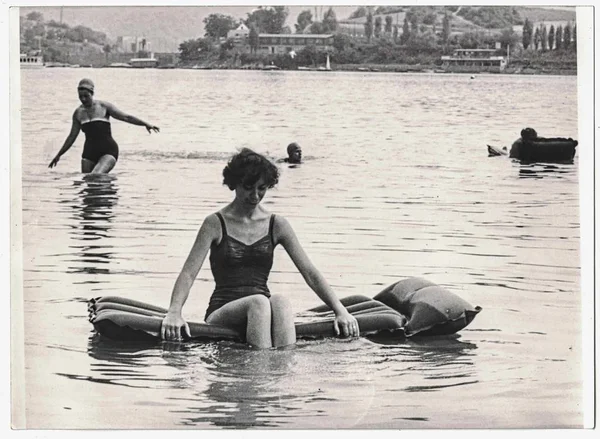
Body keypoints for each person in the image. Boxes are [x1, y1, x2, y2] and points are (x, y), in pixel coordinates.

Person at [160, 148, 359, 348]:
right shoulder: (214, 223)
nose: (255, 195)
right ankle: (259, 373)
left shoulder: (277, 224)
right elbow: (188, 273)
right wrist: (174, 312)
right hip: (222, 312)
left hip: (262, 314)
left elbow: (309, 272)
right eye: (248, 187)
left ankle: (281, 373)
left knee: (280, 301)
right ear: (234, 184)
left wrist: (340, 311)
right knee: (259, 302)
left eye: (261, 188)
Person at [48, 78, 160, 174]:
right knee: (88, 187)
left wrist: (145, 124)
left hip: (108, 150)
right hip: (89, 153)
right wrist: (59, 155)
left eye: (86, 96)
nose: (83, 99)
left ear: (92, 93)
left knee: (96, 176)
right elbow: (72, 136)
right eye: (80, 96)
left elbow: (126, 117)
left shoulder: (103, 106)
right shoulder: (78, 113)